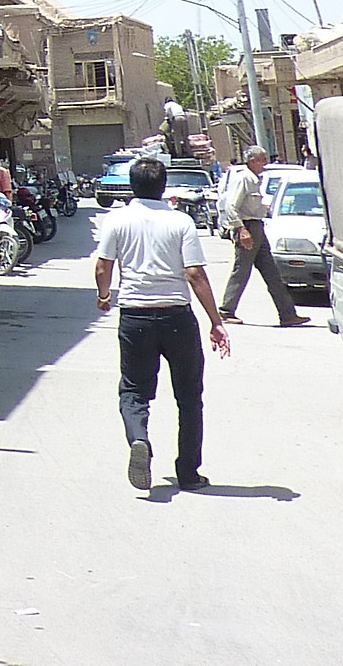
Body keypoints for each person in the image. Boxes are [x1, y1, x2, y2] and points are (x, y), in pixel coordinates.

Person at [94, 154, 232, 490]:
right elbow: (195, 273)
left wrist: (104, 295)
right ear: (163, 186)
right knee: (189, 396)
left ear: (131, 186)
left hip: (135, 316)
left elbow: (103, 267)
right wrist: (216, 321)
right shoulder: (180, 222)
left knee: (134, 391)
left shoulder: (117, 220)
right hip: (177, 317)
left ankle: (139, 438)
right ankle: (188, 472)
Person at [217, 146, 309, 328]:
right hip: (248, 227)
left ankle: (287, 314)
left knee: (271, 272)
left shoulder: (255, 179)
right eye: (262, 160)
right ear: (252, 161)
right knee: (241, 270)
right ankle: (226, 310)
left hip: (257, 227)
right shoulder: (243, 178)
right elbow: (231, 206)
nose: (265, 164)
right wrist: (241, 230)